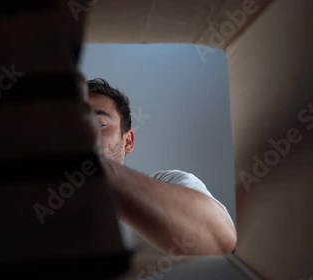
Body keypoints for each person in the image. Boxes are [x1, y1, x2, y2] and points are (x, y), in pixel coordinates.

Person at [79, 76, 237, 255]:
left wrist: (93, 165)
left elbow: (220, 240)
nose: (82, 133)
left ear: (128, 141)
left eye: (99, 125)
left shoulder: (169, 182)